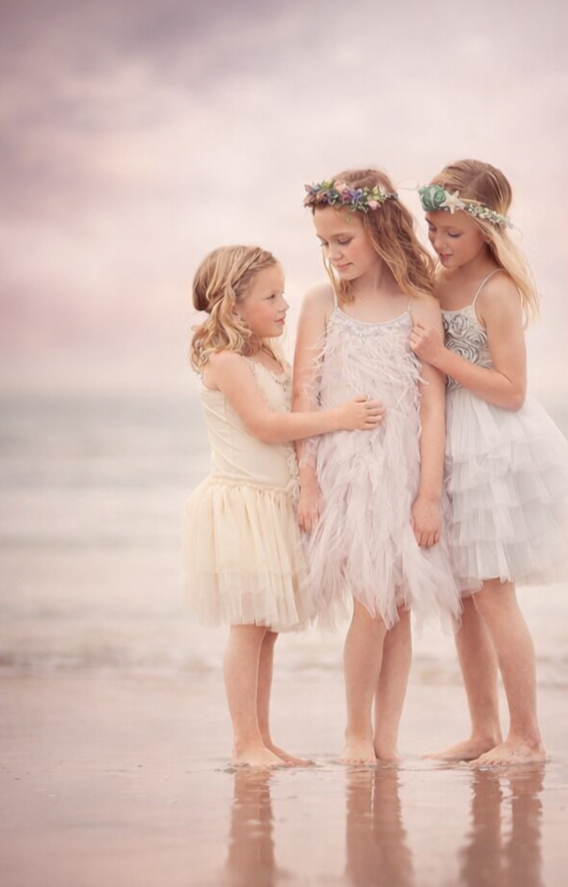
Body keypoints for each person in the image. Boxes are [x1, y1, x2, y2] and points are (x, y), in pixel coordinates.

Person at [183, 244, 384, 768]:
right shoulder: (225, 361)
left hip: (275, 503)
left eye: (283, 294)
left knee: (267, 629)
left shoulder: (268, 355)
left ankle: (263, 739)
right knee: (248, 627)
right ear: (233, 304)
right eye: (270, 296)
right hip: (242, 504)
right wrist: (339, 417)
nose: (284, 305)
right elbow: (266, 427)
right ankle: (243, 742)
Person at [410, 160, 568, 766]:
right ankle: (484, 729)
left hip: (489, 443)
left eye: (452, 232)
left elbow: (511, 389)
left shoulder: (496, 291)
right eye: (433, 228)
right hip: (444, 441)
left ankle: (526, 735)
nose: (440, 242)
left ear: (487, 230)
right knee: (463, 597)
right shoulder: (434, 278)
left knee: (494, 591)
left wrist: (439, 355)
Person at [294, 170, 461, 765]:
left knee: (399, 609)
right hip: (349, 469)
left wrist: (428, 494)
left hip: (405, 471)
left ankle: (387, 737)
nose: (333, 254)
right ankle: (354, 732)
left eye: (344, 240)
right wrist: (308, 481)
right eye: (325, 243)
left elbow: (433, 407)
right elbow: (304, 398)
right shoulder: (322, 304)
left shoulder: (420, 303)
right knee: (370, 601)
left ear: (380, 229)